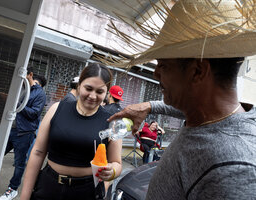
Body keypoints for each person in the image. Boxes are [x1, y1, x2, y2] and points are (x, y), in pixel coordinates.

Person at [107, 0, 256, 199]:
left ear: (197, 71)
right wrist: (149, 106)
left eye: (164, 65)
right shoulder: (205, 116)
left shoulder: (232, 169)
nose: (156, 74)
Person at [21, 63, 122, 200]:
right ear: (79, 85)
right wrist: (25, 196)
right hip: (48, 187)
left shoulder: (112, 121)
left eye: (99, 92)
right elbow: (38, 153)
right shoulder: (57, 109)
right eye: (89, 88)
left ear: (106, 93)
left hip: (86, 191)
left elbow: (117, 162)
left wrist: (112, 171)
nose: (92, 96)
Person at [0, 67, 46, 200]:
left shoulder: (40, 94)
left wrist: (17, 103)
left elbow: (33, 114)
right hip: (10, 128)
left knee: (19, 163)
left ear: (31, 76)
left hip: (24, 132)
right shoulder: (21, 88)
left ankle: (12, 189)